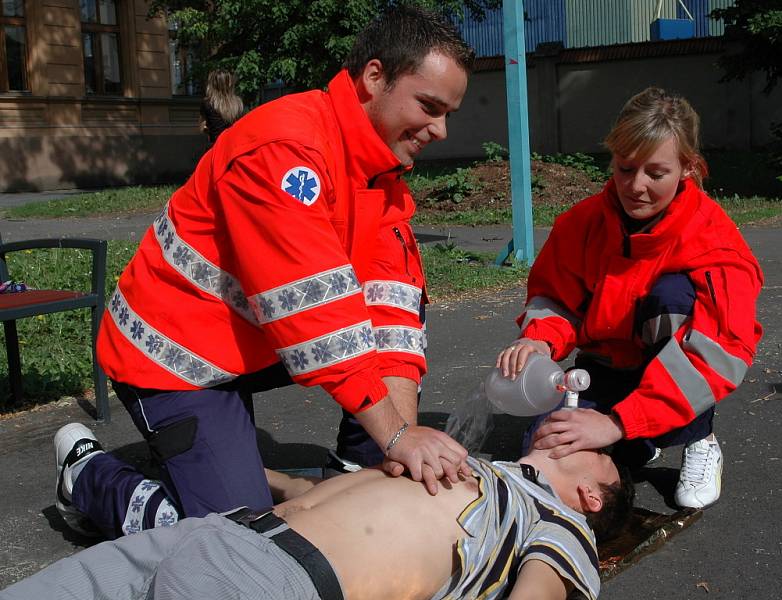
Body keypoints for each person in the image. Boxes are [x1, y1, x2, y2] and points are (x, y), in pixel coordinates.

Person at [63, 5, 475, 540]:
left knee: (396, 345)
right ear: (375, 77)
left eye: (449, 114)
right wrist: (397, 436)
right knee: (238, 538)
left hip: (251, 340)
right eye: (429, 106)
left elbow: (394, 312)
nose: (440, 129)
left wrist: (396, 449)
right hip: (172, 358)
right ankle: (87, 475)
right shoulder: (284, 149)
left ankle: (349, 469)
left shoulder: (380, 174)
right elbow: (310, 315)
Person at [496, 87, 763, 509]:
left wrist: (619, 422)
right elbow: (555, 297)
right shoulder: (581, 224)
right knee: (546, 447)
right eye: (625, 168)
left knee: (672, 298)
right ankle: (642, 441)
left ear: (688, 168)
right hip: (601, 368)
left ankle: (698, 436)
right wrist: (540, 340)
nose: (635, 186)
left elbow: (715, 354)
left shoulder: (715, 242)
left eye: (655, 173)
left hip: (670, 371)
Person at [1, 439, 634, 600]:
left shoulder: (559, 524)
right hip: (224, 531)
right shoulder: (484, 470)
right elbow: (329, 495)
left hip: (275, 582)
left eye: (593, 450)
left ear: (593, 493)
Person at [199, 69, 244, 143]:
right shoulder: (238, 103)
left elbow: (202, 126)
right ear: (229, 84)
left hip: (215, 146)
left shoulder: (207, 103)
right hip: (233, 146)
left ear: (212, 85)